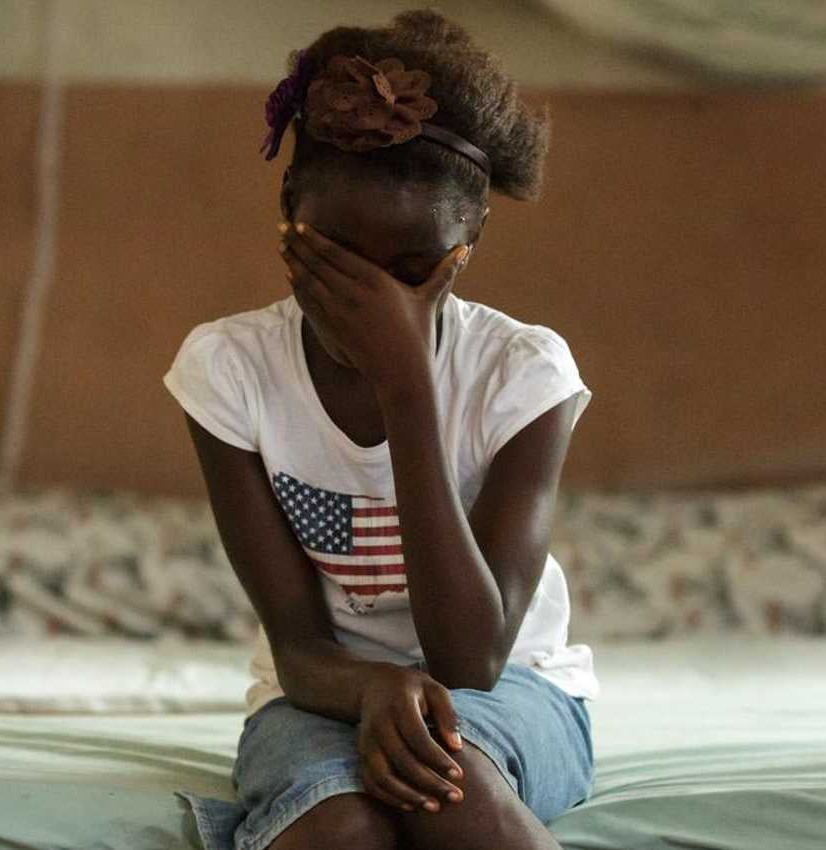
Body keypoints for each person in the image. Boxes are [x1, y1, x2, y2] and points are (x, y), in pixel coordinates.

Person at [167, 11, 596, 850]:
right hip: (319, 693)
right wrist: (371, 691)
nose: (373, 304)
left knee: (452, 785)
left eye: (410, 273)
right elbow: (297, 645)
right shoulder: (228, 370)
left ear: (468, 240)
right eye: (336, 256)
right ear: (289, 213)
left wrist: (407, 387)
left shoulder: (524, 374)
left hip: (516, 689)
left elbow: (471, 658)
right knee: (341, 830)